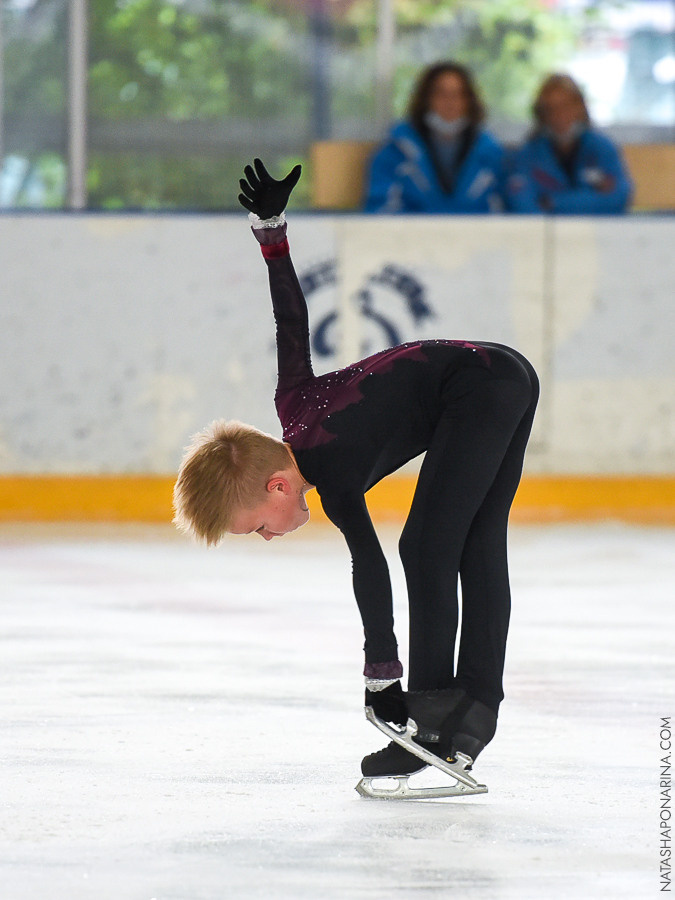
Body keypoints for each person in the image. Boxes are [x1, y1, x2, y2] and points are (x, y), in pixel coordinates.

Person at [173, 159, 539, 788]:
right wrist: (271, 230)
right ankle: (471, 714)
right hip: (500, 375)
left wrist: (382, 678)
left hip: (480, 386)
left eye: (258, 526)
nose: (269, 537)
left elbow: (370, 571)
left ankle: (434, 719)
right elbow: (290, 322)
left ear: (277, 486)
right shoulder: (293, 406)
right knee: (472, 542)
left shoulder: (335, 474)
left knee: (426, 547)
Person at [363, 62, 507, 214]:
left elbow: (504, 210)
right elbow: (380, 210)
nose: (450, 102)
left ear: (469, 101)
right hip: (411, 230)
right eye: (441, 94)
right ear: (426, 98)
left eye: (458, 94)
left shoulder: (491, 155)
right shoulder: (396, 152)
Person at [508, 73, 632, 214]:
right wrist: (590, 197)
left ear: (580, 108)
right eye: (551, 109)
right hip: (544, 228)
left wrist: (554, 202)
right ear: (541, 115)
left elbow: (618, 198)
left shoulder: (602, 149)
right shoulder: (527, 156)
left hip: (596, 227)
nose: (559, 116)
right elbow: (522, 204)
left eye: (565, 106)